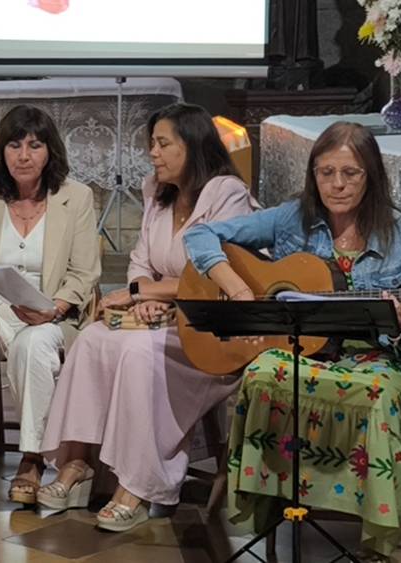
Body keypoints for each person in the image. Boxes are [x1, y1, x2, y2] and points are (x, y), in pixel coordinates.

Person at [183, 121, 401, 557]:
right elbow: (199, 234)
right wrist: (240, 289)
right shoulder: (290, 218)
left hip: (377, 359)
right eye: (325, 172)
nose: (336, 184)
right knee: (263, 372)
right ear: (312, 174)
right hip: (305, 351)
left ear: (371, 174)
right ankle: (273, 508)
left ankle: (376, 537)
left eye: (350, 173)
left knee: (377, 392)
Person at [37, 103, 259, 532]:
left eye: (162, 144)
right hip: (162, 315)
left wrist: (146, 291)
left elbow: (214, 273)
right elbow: (141, 259)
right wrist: (142, 299)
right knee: (93, 339)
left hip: (210, 326)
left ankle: (138, 485)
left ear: (192, 147)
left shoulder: (225, 193)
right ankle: (78, 461)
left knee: (137, 353)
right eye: (151, 145)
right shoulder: (157, 191)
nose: (152, 154)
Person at [0, 105, 101, 509]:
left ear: (50, 152)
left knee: (35, 347)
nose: (23, 155)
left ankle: (31, 459)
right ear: (1, 150)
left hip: (51, 312)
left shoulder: (76, 197)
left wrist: (54, 309)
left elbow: (84, 273)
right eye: (14, 145)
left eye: (34, 145)